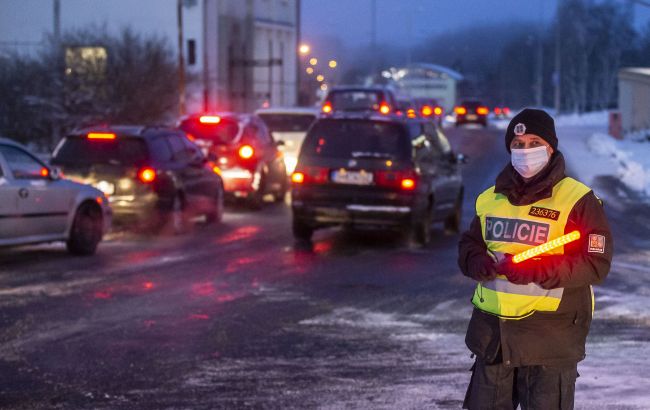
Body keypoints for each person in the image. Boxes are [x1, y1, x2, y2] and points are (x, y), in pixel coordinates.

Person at [458, 108, 613, 409]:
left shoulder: (578, 200)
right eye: (518, 145)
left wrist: (537, 269)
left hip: (549, 339)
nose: (525, 151)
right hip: (493, 338)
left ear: (551, 147)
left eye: (534, 143)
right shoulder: (490, 198)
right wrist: (476, 261)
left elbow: (596, 264)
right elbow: (469, 245)